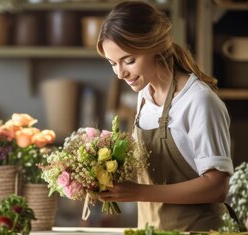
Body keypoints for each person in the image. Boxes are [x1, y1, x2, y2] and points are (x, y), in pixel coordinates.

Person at [96, 1, 234, 231]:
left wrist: (139, 192)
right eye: (113, 63)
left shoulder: (198, 101)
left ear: (155, 46)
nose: (120, 73)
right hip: (151, 229)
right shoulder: (143, 95)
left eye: (129, 60)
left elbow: (217, 187)